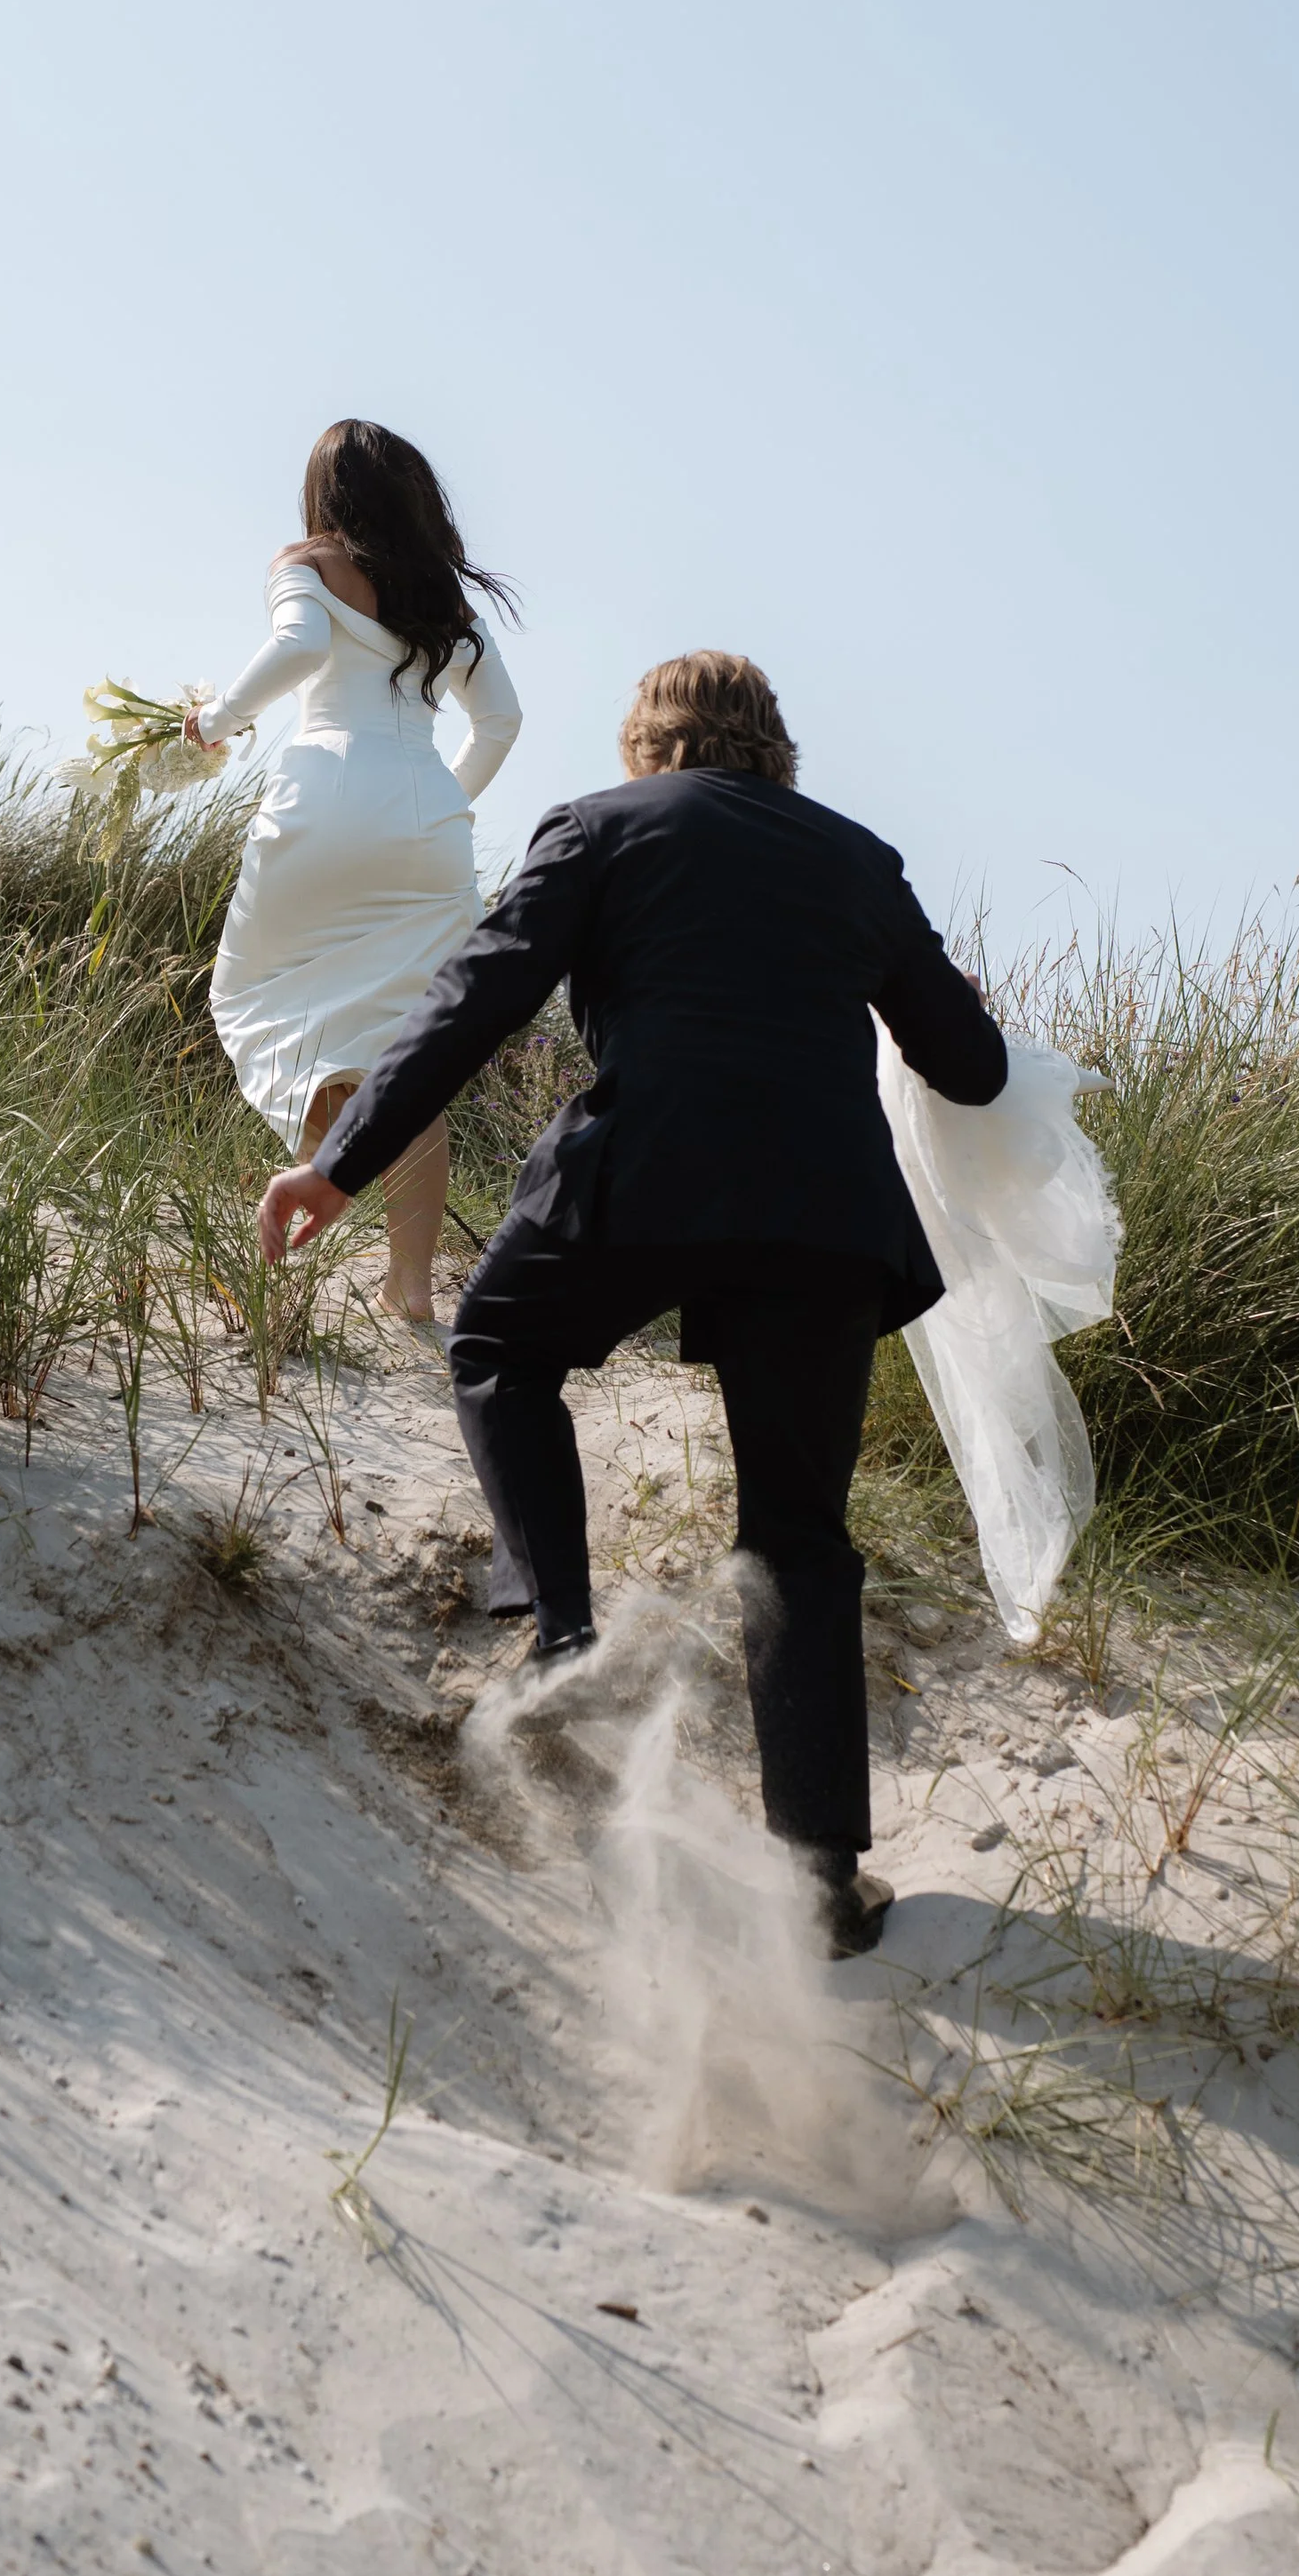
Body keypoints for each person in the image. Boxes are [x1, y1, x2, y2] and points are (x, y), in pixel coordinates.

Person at [256, 649, 1007, 1956]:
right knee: (797, 1540)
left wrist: (338, 1163)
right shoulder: (858, 859)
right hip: (826, 1219)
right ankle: (822, 1880)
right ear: (774, 746)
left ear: (645, 743)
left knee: (496, 1340)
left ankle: (560, 1637)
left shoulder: (600, 827)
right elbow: (974, 1068)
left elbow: (476, 998)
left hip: (643, 1173)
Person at [193, 421, 522, 1322]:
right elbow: (501, 723)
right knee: (408, 1055)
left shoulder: (305, 562)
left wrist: (216, 720)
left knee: (251, 990)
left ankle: (320, 1166)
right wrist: (440, 803)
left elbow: (300, 651)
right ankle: (408, 1285)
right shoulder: (442, 598)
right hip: (425, 813)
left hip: (321, 799)